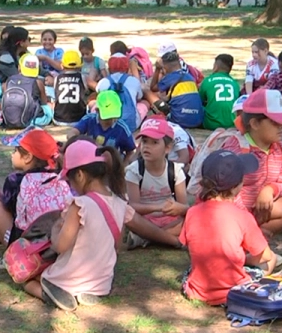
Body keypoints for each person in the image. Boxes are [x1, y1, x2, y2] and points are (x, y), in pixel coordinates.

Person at [23, 140, 141, 311]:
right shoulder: (121, 203)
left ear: (80, 175)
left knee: (27, 281)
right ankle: (88, 293)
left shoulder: (80, 204)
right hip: (101, 283)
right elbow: (117, 246)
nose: (71, 186)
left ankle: (48, 293)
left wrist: (56, 231)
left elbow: (61, 246)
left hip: (69, 279)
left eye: (70, 181)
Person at [180, 151, 279, 306]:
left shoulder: (192, 212)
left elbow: (189, 247)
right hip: (234, 291)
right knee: (272, 257)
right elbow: (264, 256)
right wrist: (242, 259)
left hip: (196, 291)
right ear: (236, 186)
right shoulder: (242, 216)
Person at [220, 89, 282, 236]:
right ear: (255, 123)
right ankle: (246, 239)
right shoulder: (236, 149)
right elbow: (224, 193)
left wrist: (270, 190)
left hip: (261, 212)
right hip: (234, 213)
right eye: (276, 122)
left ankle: (257, 238)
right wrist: (244, 216)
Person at [0, 128, 70, 249]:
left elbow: (11, 210)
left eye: (15, 150)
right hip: (59, 244)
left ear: (28, 157)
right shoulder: (61, 178)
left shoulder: (16, 181)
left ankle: (12, 254)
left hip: (30, 247)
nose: (12, 154)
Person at [125, 117, 187, 248]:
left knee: (192, 219)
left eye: (154, 142)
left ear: (168, 148)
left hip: (170, 220)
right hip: (144, 220)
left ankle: (149, 238)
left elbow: (184, 207)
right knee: (128, 215)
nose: (147, 146)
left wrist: (176, 208)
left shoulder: (175, 171)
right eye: (145, 141)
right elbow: (133, 206)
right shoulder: (135, 170)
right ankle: (170, 239)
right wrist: (158, 207)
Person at [67, 91, 135, 159]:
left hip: (112, 164)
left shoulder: (122, 128)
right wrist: (83, 143)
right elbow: (72, 133)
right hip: (90, 159)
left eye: (114, 116)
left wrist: (123, 167)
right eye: (107, 117)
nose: (111, 120)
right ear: (97, 110)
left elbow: (130, 152)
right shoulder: (89, 119)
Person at [153, 47, 203, 129]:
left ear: (165, 68)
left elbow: (153, 88)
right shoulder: (189, 77)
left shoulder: (171, 77)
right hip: (197, 121)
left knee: (147, 92)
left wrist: (157, 70)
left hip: (179, 121)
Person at [1, 54, 52, 128]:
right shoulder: (38, 82)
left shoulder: (9, 80)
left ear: (20, 67)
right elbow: (43, 103)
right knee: (49, 107)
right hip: (30, 120)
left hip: (9, 119)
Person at [98, 54, 146, 130]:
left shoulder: (103, 82)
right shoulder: (134, 81)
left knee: (94, 103)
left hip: (108, 123)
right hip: (130, 125)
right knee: (144, 103)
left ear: (109, 69)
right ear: (127, 69)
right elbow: (139, 97)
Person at [199, 54, 239, 130]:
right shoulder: (235, 83)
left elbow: (199, 101)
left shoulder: (207, 81)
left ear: (216, 66)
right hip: (230, 123)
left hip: (211, 124)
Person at [52, 50, 87, 125]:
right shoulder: (82, 77)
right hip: (79, 119)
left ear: (62, 65)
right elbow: (85, 91)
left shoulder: (57, 78)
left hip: (59, 120)